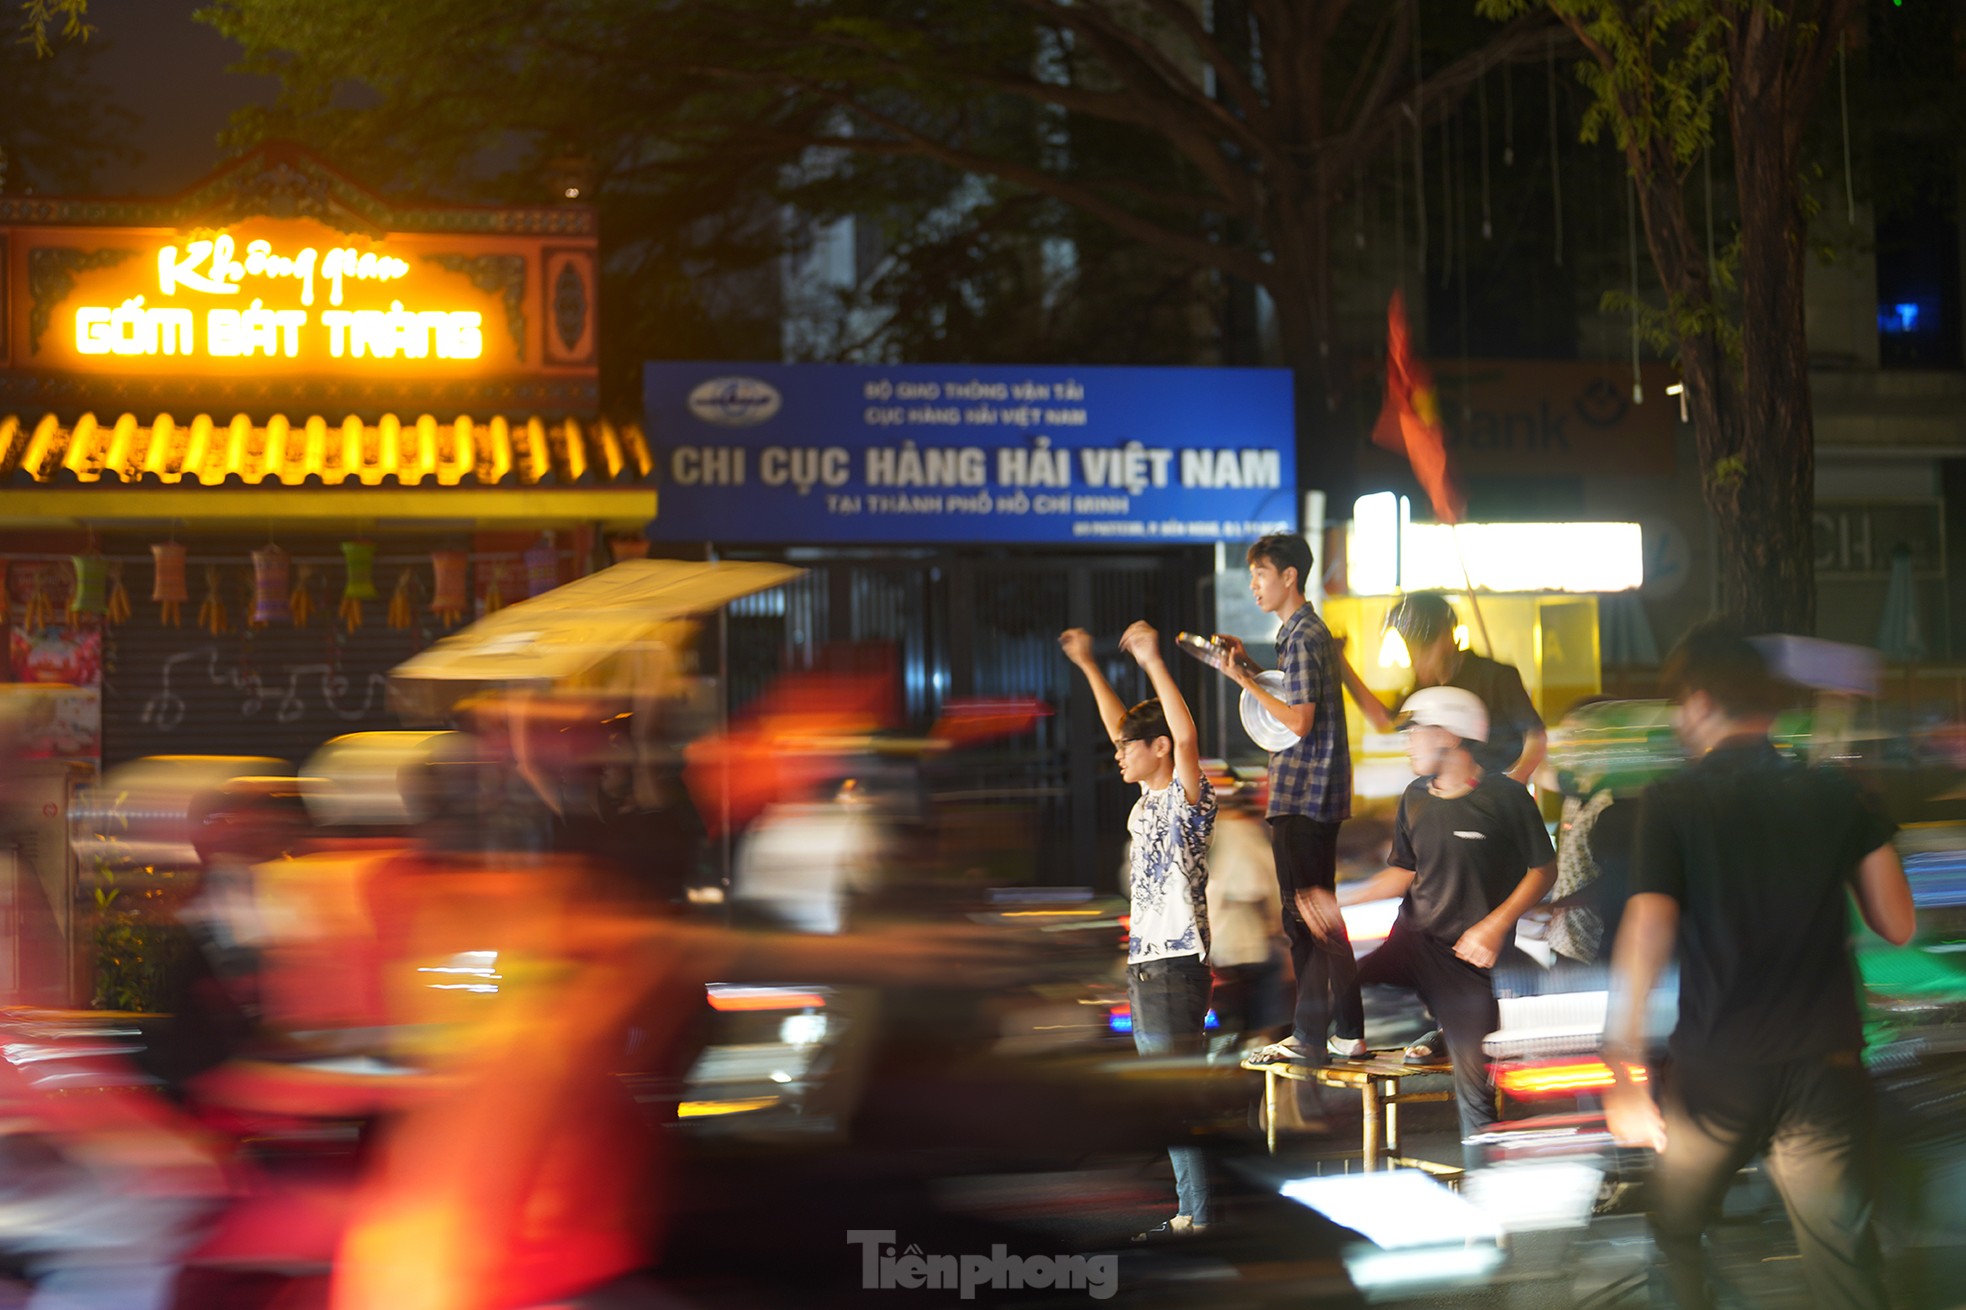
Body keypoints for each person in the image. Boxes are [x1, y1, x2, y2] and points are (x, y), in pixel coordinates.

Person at [1601, 624, 1914, 1310]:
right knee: (1844, 1262)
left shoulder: (1674, 800)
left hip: (1720, 1070)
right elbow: (1898, 923)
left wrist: (1622, 1060)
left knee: (1676, 1229)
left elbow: (1650, 926)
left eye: (1680, 705)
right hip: (1825, 1067)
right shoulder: (1835, 793)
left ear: (1702, 700)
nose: (1680, 721)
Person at [1333, 686, 1557, 1160]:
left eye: (1417, 730)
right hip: (1413, 942)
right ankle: (1347, 1038)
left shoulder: (1506, 797)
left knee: (1475, 1098)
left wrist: (1495, 926)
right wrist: (1342, 899)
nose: (1409, 741)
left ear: (1452, 735)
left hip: (1468, 965)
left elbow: (1543, 870)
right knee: (1331, 972)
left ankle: (1490, 1210)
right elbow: (1404, 870)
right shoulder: (1414, 797)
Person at [1060, 620, 1216, 1239]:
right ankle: (1192, 1212)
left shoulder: (1186, 800)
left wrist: (1153, 659)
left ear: (1159, 750)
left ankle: (1197, 1218)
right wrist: (1091, 668)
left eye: (1130, 746)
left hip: (1175, 964)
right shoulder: (1146, 801)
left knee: (1172, 1103)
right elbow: (1121, 726)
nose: (1118, 752)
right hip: (1152, 965)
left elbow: (1184, 733)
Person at [1210, 534, 1367, 1068]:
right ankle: (1329, 1031)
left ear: (1288, 577)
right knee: (1309, 915)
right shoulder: (1301, 633)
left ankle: (1329, 1031)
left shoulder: (1302, 634)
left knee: (1310, 916)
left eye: (1260, 574)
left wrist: (1240, 681)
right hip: (1310, 791)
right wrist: (1248, 668)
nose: (1254, 584)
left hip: (1305, 791)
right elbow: (1296, 701)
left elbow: (1297, 719)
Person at [1342, 591, 1547, 785]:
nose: (1415, 661)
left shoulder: (1496, 676)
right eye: (1410, 651)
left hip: (1492, 796)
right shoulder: (1423, 689)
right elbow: (1385, 722)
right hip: (1445, 797)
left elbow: (1535, 736)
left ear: (1447, 637)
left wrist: (1515, 781)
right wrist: (1341, 664)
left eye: (1423, 650)